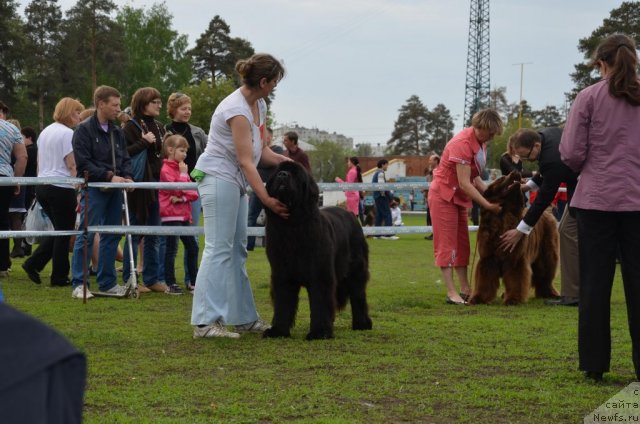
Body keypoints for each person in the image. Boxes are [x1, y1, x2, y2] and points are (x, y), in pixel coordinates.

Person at [191, 53, 289, 339]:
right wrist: (268, 201)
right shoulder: (236, 109)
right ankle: (205, 321)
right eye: (274, 82)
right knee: (218, 248)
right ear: (262, 81)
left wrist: (288, 163)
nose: (274, 88)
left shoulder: (259, 104)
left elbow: (262, 153)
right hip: (218, 178)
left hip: (233, 181)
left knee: (237, 250)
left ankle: (243, 317)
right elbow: (247, 161)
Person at [559, 33, 640, 382]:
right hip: (637, 201)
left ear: (601, 63)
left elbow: (572, 152)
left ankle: (594, 364)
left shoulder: (588, 97)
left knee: (594, 283)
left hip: (596, 201)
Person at [427, 108, 503, 305]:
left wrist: (489, 192)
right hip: (444, 196)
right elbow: (464, 182)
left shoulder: (480, 142)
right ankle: (451, 292)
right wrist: (487, 204)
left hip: (458, 198)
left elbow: (474, 175)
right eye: (491, 132)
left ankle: (465, 288)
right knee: (447, 244)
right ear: (480, 127)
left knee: (462, 244)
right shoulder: (461, 143)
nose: (493, 136)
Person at [498, 127, 579, 307]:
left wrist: (521, 230)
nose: (527, 161)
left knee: (570, 234)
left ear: (535, 146)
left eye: (526, 156)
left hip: (587, 187)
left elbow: (543, 200)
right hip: (582, 184)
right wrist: (526, 187)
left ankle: (575, 294)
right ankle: (575, 292)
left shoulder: (551, 158)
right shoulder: (545, 136)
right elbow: (545, 172)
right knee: (567, 231)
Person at [70, 85, 133, 299]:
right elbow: (83, 163)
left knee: (112, 235)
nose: (118, 109)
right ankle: (79, 283)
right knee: (86, 234)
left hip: (115, 190)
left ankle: (107, 283)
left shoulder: (117, 131)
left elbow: (125, 158)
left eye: (118, 105)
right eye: (114, 105)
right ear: (101, 104)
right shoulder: (84, 129)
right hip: (94, 189)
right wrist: (109, 176)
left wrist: (127, 176)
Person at [22, 98, 84, 287]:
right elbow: (71, 163)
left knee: (60, 230)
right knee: (64, 232)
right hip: (61, 186)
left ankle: (34, 263)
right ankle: (58, 276)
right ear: (68, 113)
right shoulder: (67, 134)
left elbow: (41, 162)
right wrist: (79, 188)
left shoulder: (46, 131)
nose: (79, 117)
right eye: (76, 113)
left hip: (43, 185)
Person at [122, 87, 166, 294]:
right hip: (138, 186)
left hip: (157, 184)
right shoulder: (129, 127)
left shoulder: (159, 126)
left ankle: (151, 278)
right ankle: (130, 278)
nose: (159, 105)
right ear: (142, 103)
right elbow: (123, 154)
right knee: (135, 233)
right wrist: (143, 142)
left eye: (159, 101)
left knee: (154, 233)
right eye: (154, 101)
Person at [164, 92, 208, 285]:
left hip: (192, 188)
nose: (187, 112)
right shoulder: (164, 130)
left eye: (189, 108)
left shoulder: (198, 132)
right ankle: (167, 279)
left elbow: (207, 157)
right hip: (171, 189)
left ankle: (192, 279)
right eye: (183, 108)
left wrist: (195, 179)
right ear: (173, 110)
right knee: (170, 239)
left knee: (192, 236)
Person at [159, 134, 199, 295]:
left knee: (193, 247)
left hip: (184, 215)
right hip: (171, 215)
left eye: (186, 152)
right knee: (171, 249)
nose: (185, 155)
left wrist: (181, 197)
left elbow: (194, 193)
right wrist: (183, 178)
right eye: (182, 150)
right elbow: (175, 188)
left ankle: (194, 282)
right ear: (170, 150)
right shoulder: (166, 169)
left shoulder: (182, 169)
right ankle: (170, 283)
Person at [0, 101, 27, 278]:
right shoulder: (11, 129)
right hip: (4, 178)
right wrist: (16, 179)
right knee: (2, 220)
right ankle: (2, 264)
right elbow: (22, 156)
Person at [247, 127, 283, 251]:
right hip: (256, 189)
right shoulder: (255, 151)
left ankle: (275, 245)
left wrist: (257, 163)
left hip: (271, 190)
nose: (261, 137)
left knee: (273, 218)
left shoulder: (277, 150)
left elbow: (264, 163)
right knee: (251, 216)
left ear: (270, 137)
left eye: (264, 135)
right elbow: (252, 164)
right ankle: (249, 245)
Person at [372, 159, 397, 240]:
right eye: (387, 165)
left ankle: (377, 234)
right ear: (383, 165)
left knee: (379, 215)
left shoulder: (377, 173)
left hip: (377, 197)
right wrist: (389, 198)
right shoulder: (380, 173)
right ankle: (388, 234)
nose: (387, 166)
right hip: (381, 197)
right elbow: (382, 187)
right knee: (387, 214)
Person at [423, 154, 440, 240]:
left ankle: (436, 235)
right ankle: (434, 234)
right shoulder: (431, 172)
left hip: (437, 198)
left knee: (436, 217)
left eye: (431, 160)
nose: (429, 162)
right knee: (431, 217)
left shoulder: (440, 171)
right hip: (430, 197)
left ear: (436, 161)